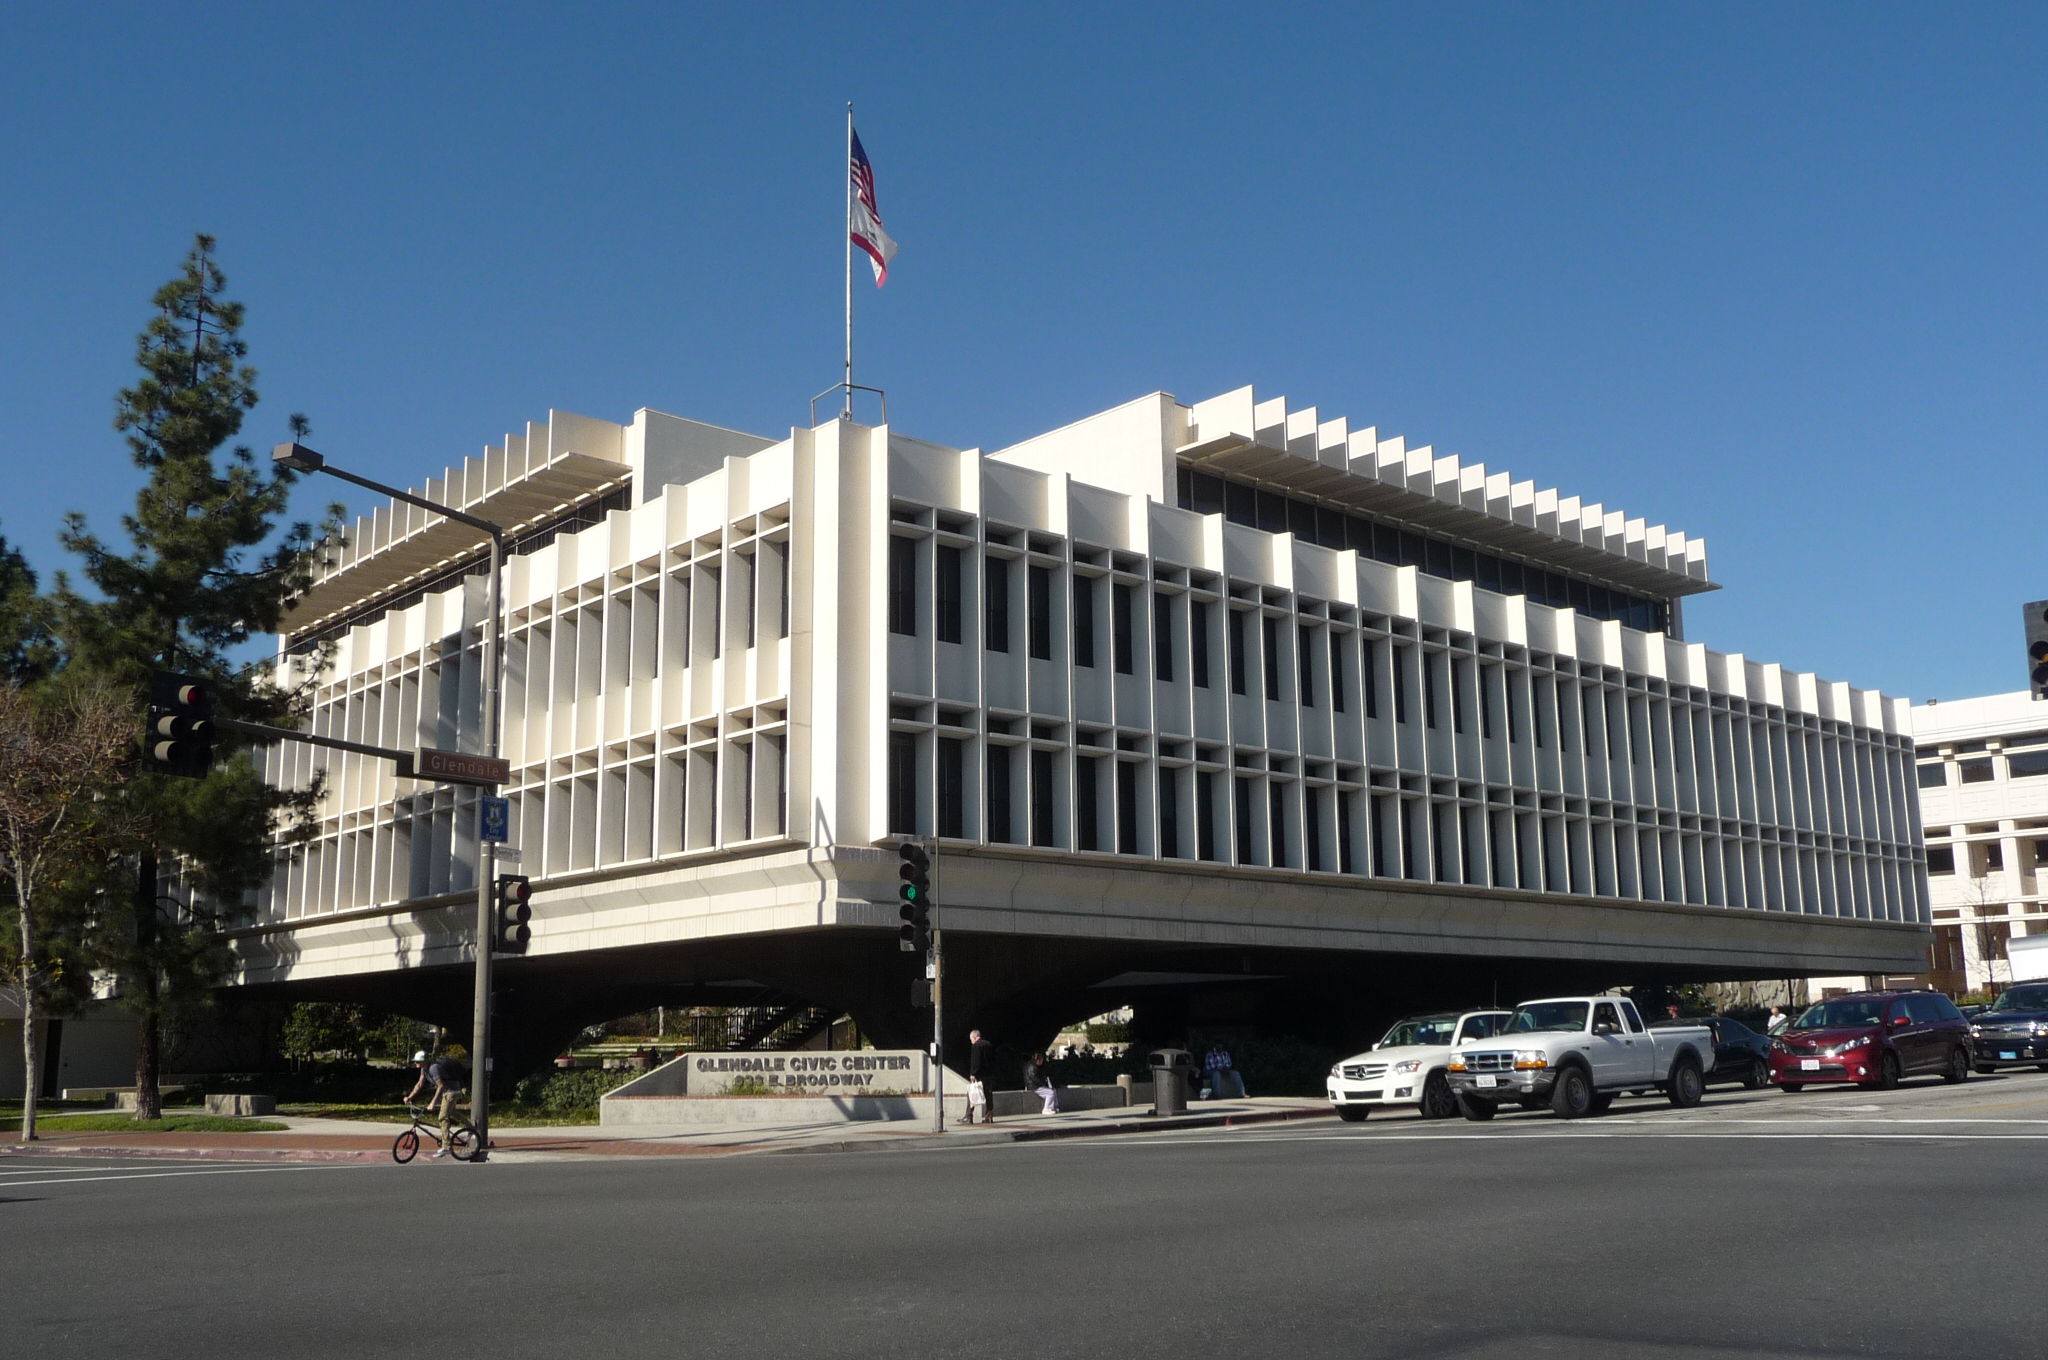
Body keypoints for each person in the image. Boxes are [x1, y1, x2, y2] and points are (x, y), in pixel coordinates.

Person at [403, 1049, 466, 1158]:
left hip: (451, 1091)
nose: (415, 1063)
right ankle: (472, 1129)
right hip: (447, 1091)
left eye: (417, 1061)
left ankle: (447, 1147)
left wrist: (433, 1103)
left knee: (442, 1117)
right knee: (452, 1112)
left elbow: (441, 1086)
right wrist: (409, 1097)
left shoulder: (433, 1068)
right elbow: (419, 1084)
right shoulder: (424, 1069)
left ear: (425, 1061)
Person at [966, 1029, 995, 1124]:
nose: (971, 1042)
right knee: (988, 1095)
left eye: (971, 1039)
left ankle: (969, 1116)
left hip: (979, 1075)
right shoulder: (988, 1045)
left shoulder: (976, 1046)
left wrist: (973, 1073)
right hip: (989, 1074)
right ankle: (989, 1116)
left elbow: (976, 1061)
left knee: (972, 1093)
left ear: (974, 1037)